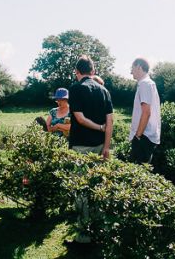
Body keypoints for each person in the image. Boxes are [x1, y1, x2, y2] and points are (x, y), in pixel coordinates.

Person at [65, 55, 114, 248]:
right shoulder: (104, 90)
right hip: (101, 146)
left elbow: (80, 118)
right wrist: (107, 146)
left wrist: (99, 128)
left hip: (81, 146)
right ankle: (99, 231)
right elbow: (110, 121)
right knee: (98, 188)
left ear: (77, 72)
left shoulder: (75, 88)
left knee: (82, 190)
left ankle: (84, 238)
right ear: (93, 71)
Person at [129, 58, 161, 164]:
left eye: (132, 68)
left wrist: (137, 136)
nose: (131, 71)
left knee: (137, 170)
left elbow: (146, 112)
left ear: (139, 67)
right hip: (146, 136)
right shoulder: (148, 83)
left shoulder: (145, 84)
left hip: (144, 137)